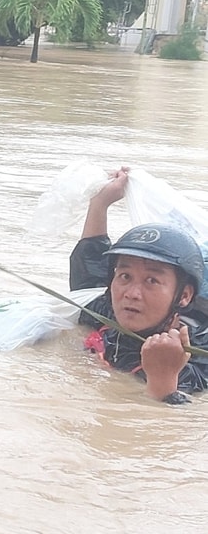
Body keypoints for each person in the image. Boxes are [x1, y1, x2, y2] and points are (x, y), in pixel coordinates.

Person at [70, 167, 208, 404]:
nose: (131, 294)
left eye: (152, 281)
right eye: (125, 276)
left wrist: (163, 379)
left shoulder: (196, 360)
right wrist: (100, 203)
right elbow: (88, 277)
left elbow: (172, 427)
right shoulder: (106, 314)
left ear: (183, 296)